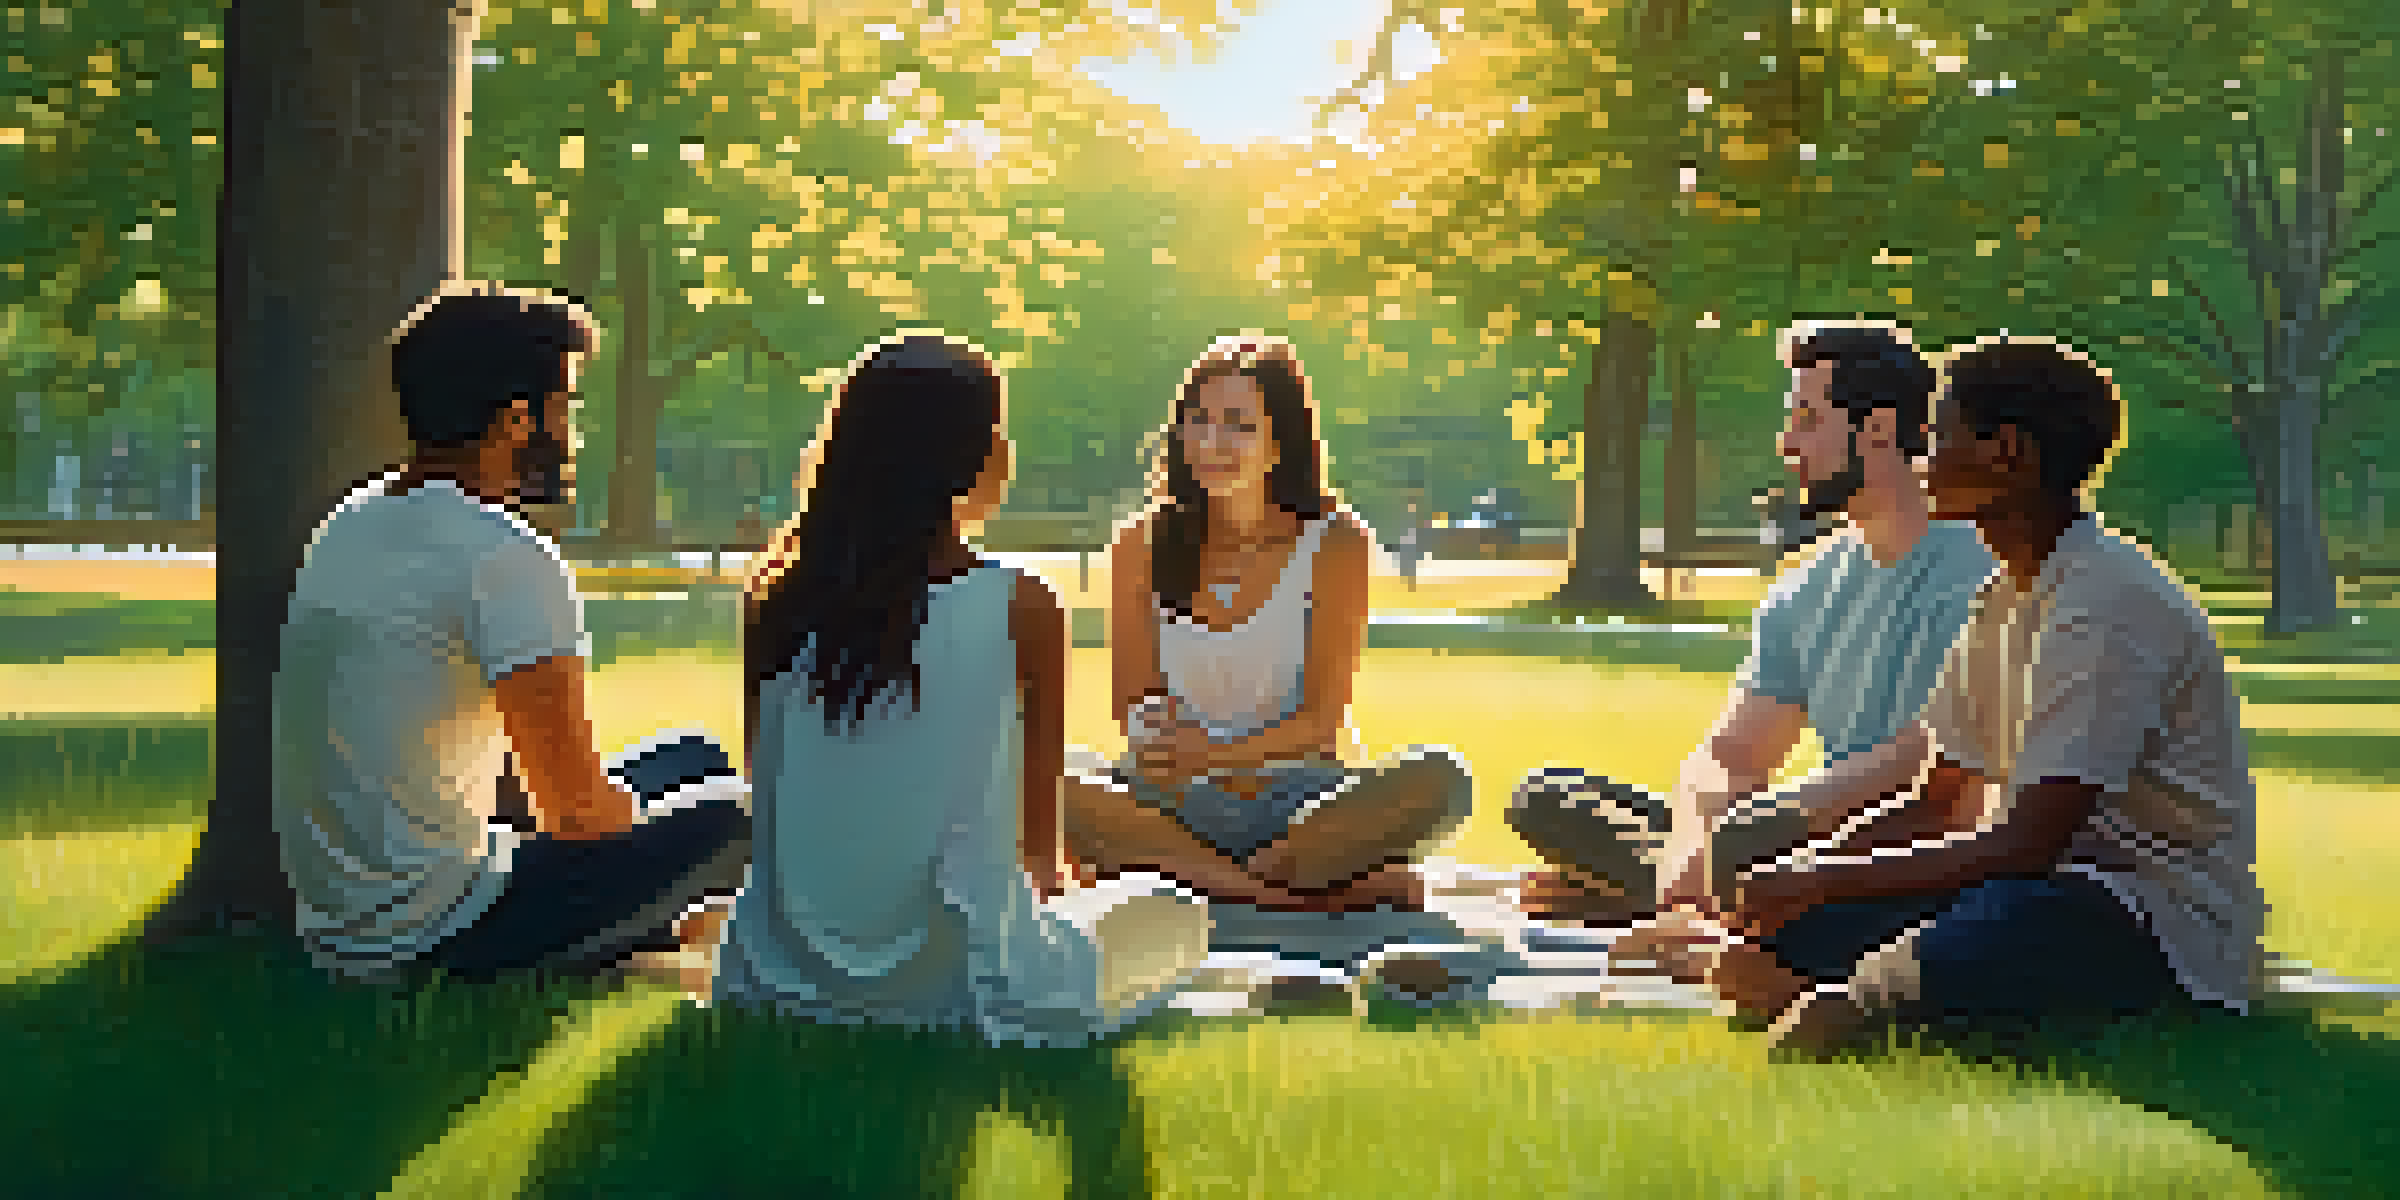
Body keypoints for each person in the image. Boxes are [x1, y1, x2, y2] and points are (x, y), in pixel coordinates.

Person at [1704, 335, 2265, 1054]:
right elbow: (1940, 800)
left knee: (2006, 923)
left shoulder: (2104, 603)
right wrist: (1812, 878)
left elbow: (2029, 843)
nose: (1923, 457)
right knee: (1755, 963)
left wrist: (1822, 879)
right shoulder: (2002, 598)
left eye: (1940, 437)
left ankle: (1883, 1002)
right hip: (2026, 882)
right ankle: (1902, 994)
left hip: (2145, 908)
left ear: (2012, 457)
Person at [712, 332, 1212, 1046]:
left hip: (775, 977)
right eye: (997, 430)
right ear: (972, 456)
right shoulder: (1023, 606)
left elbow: (771, 797)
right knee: (1171, 911)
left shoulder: (775, 601)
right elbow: (1038, 854)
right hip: (959, 989)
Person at [272, 284, 751, 984]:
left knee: (693, 757)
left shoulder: (355, 516)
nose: (572, 431)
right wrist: (660, 825)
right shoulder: (502, 556)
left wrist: (647, 815)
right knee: (734, 818)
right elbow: (576, 815)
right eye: (567, 408)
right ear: (516, 420)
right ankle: (666, 953)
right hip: (433, 940)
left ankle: (655, 943)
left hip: (344, 924)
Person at [1508, 323, 1996, 945]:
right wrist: (1693, 847)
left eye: (1808, 419)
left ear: (1876, 428)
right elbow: (1732, 754)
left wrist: (1767, 819)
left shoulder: (1973, 567)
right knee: (1548, 796)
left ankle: (1651, 897)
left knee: (1745, 843)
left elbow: (1931, 760)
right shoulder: (1810, 583)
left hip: (1903, 842)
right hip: (1789, 833)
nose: (1787, 444)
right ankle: (1685, 895)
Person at [1062, 334, 1474, 914]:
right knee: (1041, 776)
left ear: (1281, 442)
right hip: (1173, 803)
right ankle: (1283, 892)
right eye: (1199, 421)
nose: (1213, 441)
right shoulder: (1139, 542)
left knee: (1441, 778)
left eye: (1239, 424)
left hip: (1298, 802)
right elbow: (1130, 698)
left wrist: (1214, 757)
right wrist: (1155, 732)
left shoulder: (1334, 543)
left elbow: (1322, 720)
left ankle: (1209, 879)